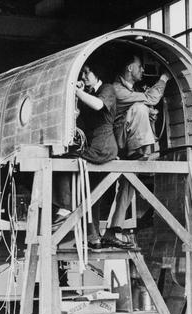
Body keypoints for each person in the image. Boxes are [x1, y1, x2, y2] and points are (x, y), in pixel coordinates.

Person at [52, 61, 131, 249]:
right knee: (91, 195)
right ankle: (93, 237)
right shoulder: (90, 94)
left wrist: (76, 91)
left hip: (103, 147)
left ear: (97, 74)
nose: (84, 77)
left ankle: (65, 206)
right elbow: (79, 119)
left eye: (87, 73)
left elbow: (97, 105)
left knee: (63, 162)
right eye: (83, 74)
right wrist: (76, 103)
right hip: (94, 145)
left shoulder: (107, 89)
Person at [103, 51, 171, 245]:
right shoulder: (117, 89)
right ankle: (144, 151)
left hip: (129, 144)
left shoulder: (133, 90)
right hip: (119, 142)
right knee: (141, 107)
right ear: (129, 68)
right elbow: (151, 99)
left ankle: (114, 228)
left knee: (129, 184)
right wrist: (164, 78)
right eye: (140, 66)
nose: (142, 70)